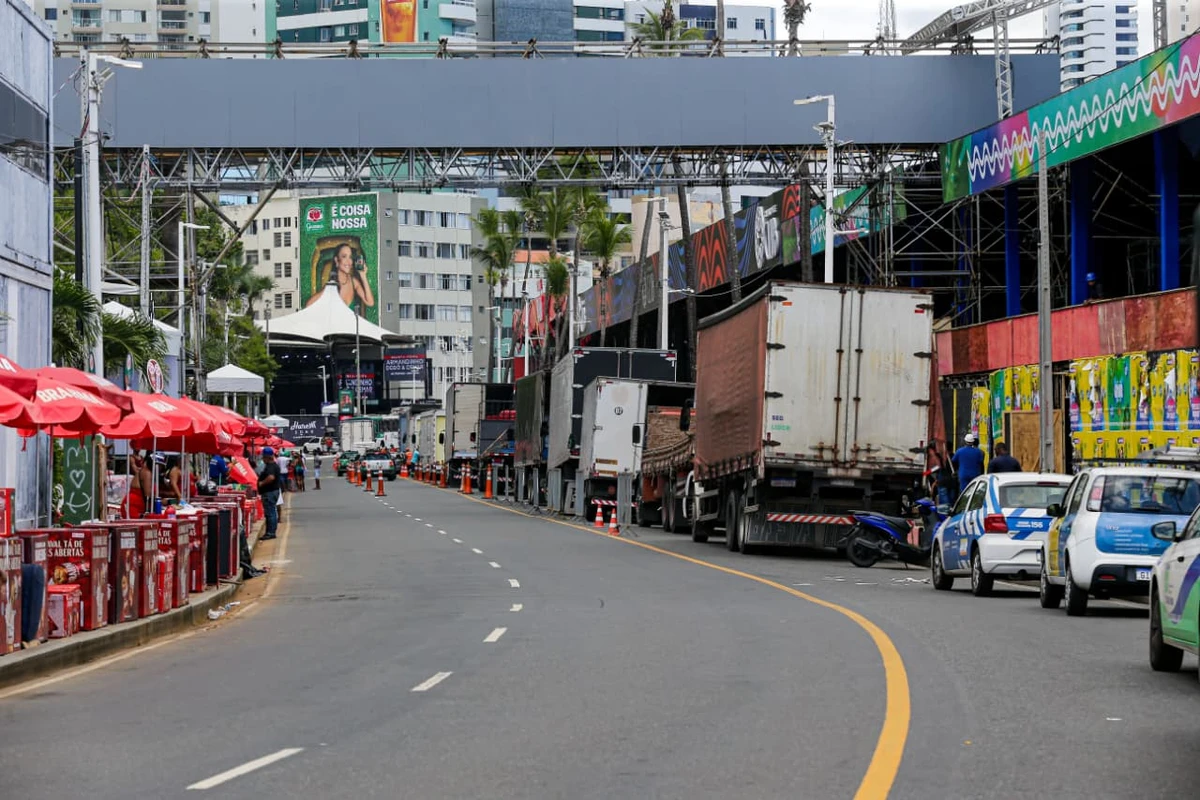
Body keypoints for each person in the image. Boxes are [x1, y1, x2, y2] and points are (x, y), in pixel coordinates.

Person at [305, 242, 376, 316]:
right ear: (336, 260)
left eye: (350, 257)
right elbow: (309, 305)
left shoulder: (353, 282)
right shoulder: (331, 286)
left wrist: (363, 275)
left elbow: (370, 302)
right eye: (344, 256)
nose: (349, 261)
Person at [257, 447, 282, 541]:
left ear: (267, 457)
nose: (263, 459)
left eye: (263, 457)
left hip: (270, 492)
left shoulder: (271, 466)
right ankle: (271, 531)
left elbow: (271, 477)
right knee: (272, 512)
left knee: (270, 513)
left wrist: (261, 483)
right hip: (272, 492)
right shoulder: (273, 465)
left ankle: (270, 532)